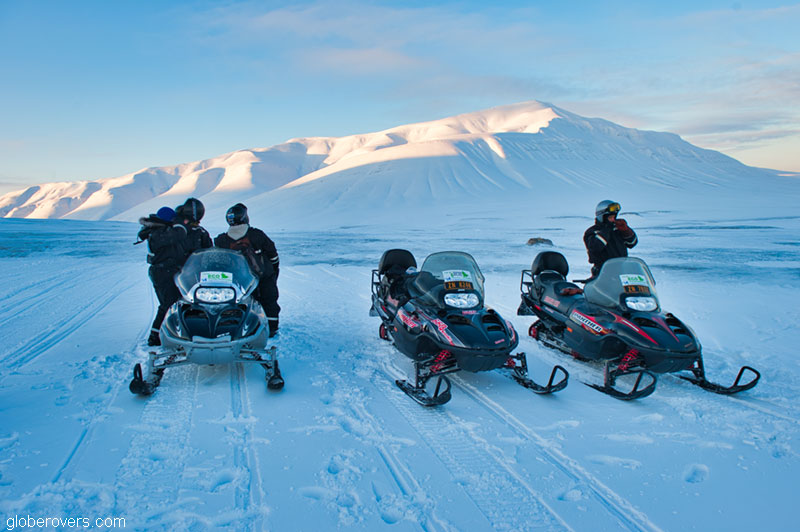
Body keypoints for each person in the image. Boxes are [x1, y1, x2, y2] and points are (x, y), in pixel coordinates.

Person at [214, 203, 281, 337]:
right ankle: (271, 329)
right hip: (262, 276)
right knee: (269, 301)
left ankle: (235, 326)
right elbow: (273, 255)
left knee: (236, 302)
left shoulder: (222, 239)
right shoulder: (257, 235)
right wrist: (272, 271)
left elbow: (217, 261)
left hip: (236, 279)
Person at [137, 206, 187, 346]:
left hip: (166, 271)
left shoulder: (158, 231)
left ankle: (167, 332)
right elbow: (180, 234)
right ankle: (155, 336)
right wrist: (179, 222)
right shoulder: (158, 233)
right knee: (167, 303)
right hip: (163, 272)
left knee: (171, 302)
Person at [583, 199, 637, 277]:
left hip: (622, 269)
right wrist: (606, 229)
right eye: (610, 217)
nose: (613, 220)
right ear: (602, 217)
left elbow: (632, 243)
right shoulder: (592, 232)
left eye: (614, 217)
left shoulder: (617, 229)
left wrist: (626, 231)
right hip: (602, 272)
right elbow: (595, 248)